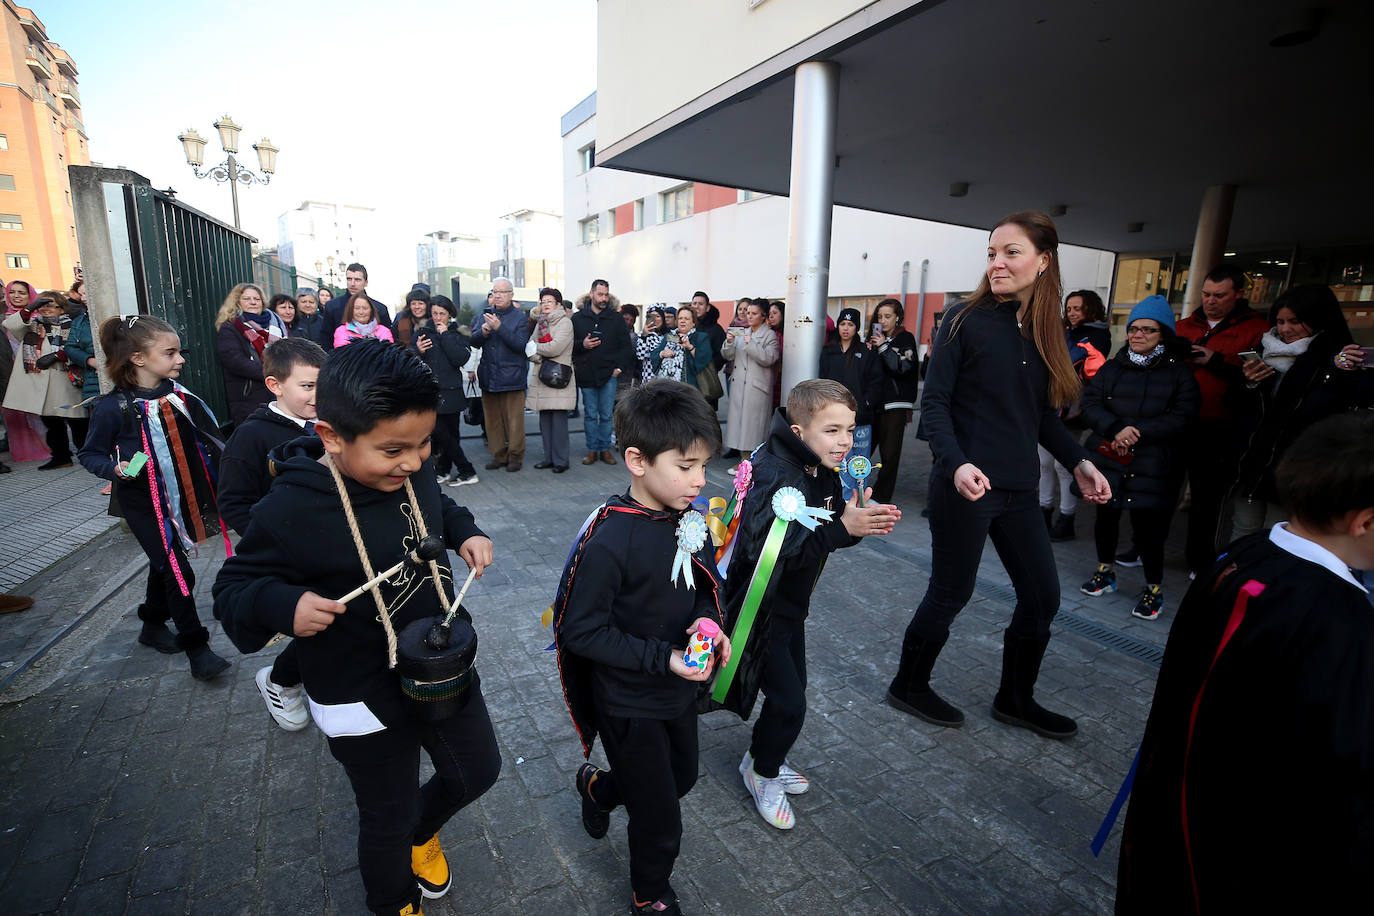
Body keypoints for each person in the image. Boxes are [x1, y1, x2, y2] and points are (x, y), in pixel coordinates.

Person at [212, 340, 500, 916]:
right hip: (357, 688)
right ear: (332, 438)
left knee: (477, 771)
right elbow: (232, 590)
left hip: (434, 661)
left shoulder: (409, 469)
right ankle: (393, 901)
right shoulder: (291, 506)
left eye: (423, 445)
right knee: (385, 817)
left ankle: (423, 831)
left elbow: (437, 501)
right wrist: (283, 603)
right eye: (394, 449)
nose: (414, 462)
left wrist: (465, 527)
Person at [1116, 412, 1374, 914]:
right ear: (1363, 520)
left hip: (1180, 802)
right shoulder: (1342, 622)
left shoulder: (1245, 552)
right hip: (1248, 853)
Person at [888, 210, 1111, 738]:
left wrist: (1081, 462)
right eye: (992, 253)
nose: (998, 262)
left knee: (1043, 597)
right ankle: (909, 684)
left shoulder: (1046, 329)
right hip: (964, 484)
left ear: (1043, 260)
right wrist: (956, 461)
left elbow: (1039, 418)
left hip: (1017, 490)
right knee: (951, 592)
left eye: (1011, 252)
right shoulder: (963, 319)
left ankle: (1015, 699)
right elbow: (935, 404)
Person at [553, 379, 729, 916]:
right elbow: (579, 632)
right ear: (636, 460)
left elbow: (700, 584)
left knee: (682, 777)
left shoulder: (685, 516)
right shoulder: (609, 540)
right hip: (628, 699)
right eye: (685, 466)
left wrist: (705, 623)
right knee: (660, 817)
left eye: (704, 465)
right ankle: (649, 893)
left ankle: (601, 791)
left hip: (675, 687)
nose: (699, 480)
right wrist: (664, 658)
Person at [718, 379, 899, 830]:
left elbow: (823, 536)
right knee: (790, 701)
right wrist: (842, 529)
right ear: (799, 432)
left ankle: (763, 757)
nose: (845, 442)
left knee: (793, 688)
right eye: (832, 430)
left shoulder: (819, 466)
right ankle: (761, 773)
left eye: (851, 430)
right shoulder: (778, 473)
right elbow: (764, 555)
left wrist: (856, 521)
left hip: (790, 608)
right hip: (761, 610)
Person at [78, 315, 231, 680]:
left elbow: (210, 439)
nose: (180, 359)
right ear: (138, 357)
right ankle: (197, 646)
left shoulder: (180, 396)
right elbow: (90, 454)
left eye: (180, 352)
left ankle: (151, 623)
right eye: (170, 352)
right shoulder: (111, 408)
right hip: (143, 502)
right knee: (179, 570)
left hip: (181, 496)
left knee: (164, 562)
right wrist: (113, 469)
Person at [216, 336, 325, 731]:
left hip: (330, 544)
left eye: (323, 384)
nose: (318, 394)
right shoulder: (251, 436)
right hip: (289, 555)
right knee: (317, 624)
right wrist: (271, 541)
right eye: (308, 386)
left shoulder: (327, 424)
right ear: (275, 385)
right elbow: (233, 501)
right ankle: (280, 680)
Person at [1076, 296, 1199, 621]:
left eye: (1148, 329)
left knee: (1150, 529)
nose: (1138, 334)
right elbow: (1090, 404)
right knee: (1106, 517)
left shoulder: (1179, 374)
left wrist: (1137, 432)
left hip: (1154, 463)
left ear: (1164, 335)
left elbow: (1184, 416)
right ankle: (1105, 570)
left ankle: (1153, 588)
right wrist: (1116, 429)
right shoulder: (1113, 367)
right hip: (1109, 457)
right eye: (1134, 328)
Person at [1230, 284, 1369, 539]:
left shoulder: (1340, 358)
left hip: (1297, 473)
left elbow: (1332, 414)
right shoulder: (1263, 351)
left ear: (1318, 319)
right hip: (1253, 466)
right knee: (1242, 535)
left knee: (1279, 539)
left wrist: (1342, 375)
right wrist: (1250, 383)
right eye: (1280, 321)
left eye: (1295, 321)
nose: (1285, 329)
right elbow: (1245, 412)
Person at [1174, 264, 1267, 575]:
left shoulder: (1256, 329)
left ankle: (1200, 561)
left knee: (1206, 501)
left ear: (1239, 294)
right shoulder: (1184, 326)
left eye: (1219, 295)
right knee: (1161, 489)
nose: (1210, 300)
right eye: (1206, 294)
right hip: (1178, 422)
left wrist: (1215, 361)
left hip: (1219, 427)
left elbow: (1256, 380)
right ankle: (1144, 546)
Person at [1040, 289, 1112, 541]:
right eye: (1068, 308)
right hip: (1051, 403)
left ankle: (1066, 517)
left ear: (1090, 309)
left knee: (1065, 465)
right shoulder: (1064, 332)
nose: (1071, 313)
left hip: (1072, 410)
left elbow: (1072, 363)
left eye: (1077, 308)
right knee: (1043, 463)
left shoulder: (1098, 335)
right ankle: (1044, 511)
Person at [2, 290, 90, 470]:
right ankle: (61, 457)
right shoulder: (33, 326)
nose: (46, 309)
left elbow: (78, 347)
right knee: (52, 423)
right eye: (42, 306)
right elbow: (10, 324)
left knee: (77, 422)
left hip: (68, 381)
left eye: (51, 306)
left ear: (61, 308)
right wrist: (31, 308)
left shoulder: (72, 325)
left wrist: (57, 356)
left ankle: (87, 455)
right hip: (42, 384)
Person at [414, 295, 478, 488]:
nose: (438, 317)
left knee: (450, 434)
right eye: (434, 313)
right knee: (441, 432)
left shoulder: (458, 332)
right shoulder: (423, 331)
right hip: (431, 389)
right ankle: (448, 470)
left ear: (449, 314)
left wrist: (445, 335)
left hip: (452, 390)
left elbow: (460, 358)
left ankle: (465, 471)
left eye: (442, 313)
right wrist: (418, 350)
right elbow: (412, 359)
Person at [820, 308, 883, 499]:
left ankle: (857, 499)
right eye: (842, 324)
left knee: (859, 463)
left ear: (857, 328)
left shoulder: (866, 352)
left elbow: (876, 382)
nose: (846, 329)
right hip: (834, 419)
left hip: (861, 419)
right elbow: (822, 380)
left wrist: (865, 404)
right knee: (838, 461)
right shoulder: (829, 351)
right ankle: (840, 500)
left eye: (851, 325)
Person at [470, 277, 532, 472]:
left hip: (513, 377)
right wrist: (484, 331)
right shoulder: (483, 316)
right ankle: (498, 454)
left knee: (514, 422)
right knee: (493, 420)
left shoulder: (520, 318)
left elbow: (521, 345)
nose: (496, 295)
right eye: (494, 291)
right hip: (489, 375)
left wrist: (499, 328)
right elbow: (474, 341)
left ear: (511, 295)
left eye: (501, 292)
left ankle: (515, 456)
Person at [571, 279, 634, 466]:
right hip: (587, 373)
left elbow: (625, 346)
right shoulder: (578, 318)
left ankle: (605, 449)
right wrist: (582, 345)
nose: (603, 298)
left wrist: (619, 369)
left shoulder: (616, 318)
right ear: (591, 294)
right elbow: (570, 346)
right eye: (600, 294)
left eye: (606, 294)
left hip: (609, 375)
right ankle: (592, 449)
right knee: (590, 414)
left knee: (606, 415)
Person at [868, 298, 919, 505]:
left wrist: (882, 347)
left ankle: (881, 497)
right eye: (880, 317)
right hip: (874, 404)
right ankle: (849, 489)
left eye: (888, 316)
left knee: (889, 455)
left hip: (896, 406)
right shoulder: (875, 340)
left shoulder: (905, 338)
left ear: (898, 317)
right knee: (864, 449)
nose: (883, 320)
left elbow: (903, 367)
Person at [215, 282, 286, 426]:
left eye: (257, 299)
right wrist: (274, 373)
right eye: (247, 299)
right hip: (249, 397)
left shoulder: (276, 324)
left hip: (279, 392)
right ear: (237, 302)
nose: (253, 302)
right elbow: (235, 362)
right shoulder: (231, 327)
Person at [720, 300, 780, 458]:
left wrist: (751, 343)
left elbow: (769, 358)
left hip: (757, 389)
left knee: (753, 429)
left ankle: (751, 463)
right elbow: (727, 355)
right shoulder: (742, 332)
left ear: (763, 315)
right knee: (739, 427)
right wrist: (730, 342)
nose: (749, 316)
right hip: (739, 386)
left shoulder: (769, 334)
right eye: (748, 313)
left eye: (754, 313)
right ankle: (743, 463)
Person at [525, 287, 575, 473]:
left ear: (558, 304)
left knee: (559, 423)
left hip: (558, 377)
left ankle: (561, 460)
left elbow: (555, 348)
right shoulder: (540, 323)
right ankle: (549, 458)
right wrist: (537, 353)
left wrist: (536, 349)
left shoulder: (565, 323)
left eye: (549, 301)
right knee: (545, 421)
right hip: (542, 375)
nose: (545, 305)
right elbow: (529, 349)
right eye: (543, 301)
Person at [1, 280, 50, 464]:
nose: (16, 296)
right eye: (12, 292)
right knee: (14, 413)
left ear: (30, 296)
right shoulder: (3, 317)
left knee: (36, 412)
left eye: (21, 292)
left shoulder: (41, 316)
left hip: (33, 370)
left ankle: (47, 447)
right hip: (9, 371)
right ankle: (23, 451)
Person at [320, 264, 394, 348]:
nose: (352, 283)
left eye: (357, 280)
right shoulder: (332, 306)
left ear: (366, 283)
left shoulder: (380, 308)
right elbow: (326, 337)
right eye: (349, 279)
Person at [649, 307, 713, 389]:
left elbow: (705, 360)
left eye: (686, 318)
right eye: (680, 318)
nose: (682, 321)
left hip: (687, 388)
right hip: (665, 388)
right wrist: (662, 353)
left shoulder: (700, 337)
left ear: (693, 322)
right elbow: (654, 355)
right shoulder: (669, 336)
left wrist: (690, 347)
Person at [690, 292, 726, 410]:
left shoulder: (716, 329)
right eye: (694, 303)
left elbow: (721, 356)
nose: (697, 306)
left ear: (708, 307)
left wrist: (705, 367)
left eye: (700, 304)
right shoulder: (686, 326)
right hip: (687, 381)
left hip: (705, 382)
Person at [635, 307, 668, 385]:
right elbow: (640, 356)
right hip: (649, 380)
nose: (655, 319)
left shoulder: (670, 335)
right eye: (651, 316)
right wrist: (644, 335)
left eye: (657, 316)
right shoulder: (645, 337)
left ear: (663, 318)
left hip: (666, 379)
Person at [766, 300, 786, 409]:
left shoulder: (789, 333)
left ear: (783, 314)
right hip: (772, 378)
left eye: (775, 313)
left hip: (783, 377)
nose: (771, 316)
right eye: (769, 313)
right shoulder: (770, 333)